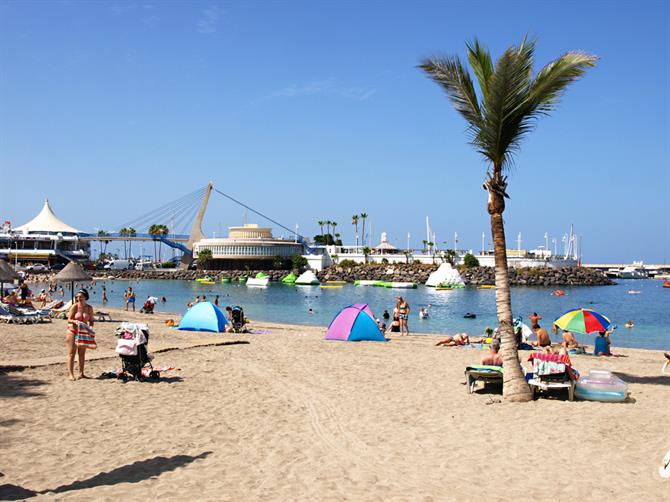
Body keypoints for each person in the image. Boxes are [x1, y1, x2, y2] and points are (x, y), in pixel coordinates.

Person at [66, 289, 94, 381]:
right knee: (71, 353)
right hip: (73, 330)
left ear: (85, 297)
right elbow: (69, 319)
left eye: (81, 297)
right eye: (77, 297)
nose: (79, 298)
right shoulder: (75, 306)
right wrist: (75, 321)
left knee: (81, 353)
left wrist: (91, 328)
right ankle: (71, 374)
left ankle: (81, 373)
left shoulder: (89, 308)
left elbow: (91, 320)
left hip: (83, 332)